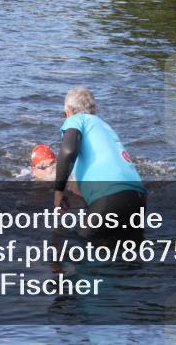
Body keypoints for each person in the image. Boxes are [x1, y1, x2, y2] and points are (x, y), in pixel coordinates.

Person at [54, 87, 145, 241]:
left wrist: (58, 194)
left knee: (84, 250)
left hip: (110, 195)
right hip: (138, 197)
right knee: (127, 259)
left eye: (64, 115)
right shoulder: (105, 127)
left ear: (68, 112)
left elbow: (68, 151)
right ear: (94, 110)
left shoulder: (76, 120)